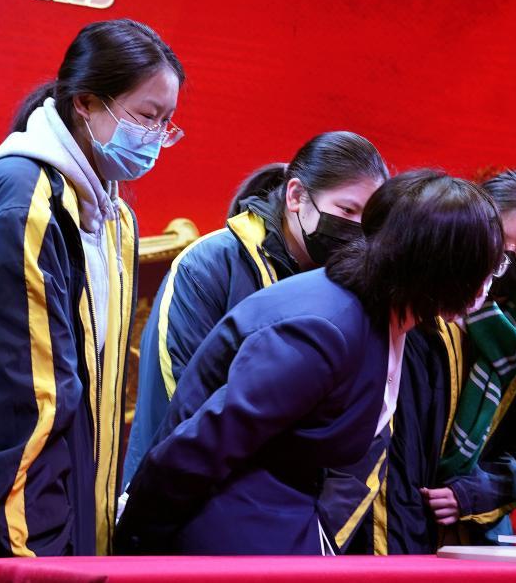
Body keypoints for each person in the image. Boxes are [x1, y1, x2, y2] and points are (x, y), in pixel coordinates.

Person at [114, 169, 506, 555]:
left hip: (278, 526)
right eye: (488, 267)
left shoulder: (381, 315)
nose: (490, 283)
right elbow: (202, 445)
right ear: (444, 267)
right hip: (229, 538)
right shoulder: (325, 330)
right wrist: (135, 546)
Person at [0, 19, 184, 557]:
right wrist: (37, 555)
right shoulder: (28, 201)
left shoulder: (113, 216)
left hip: (75, 517)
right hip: (24, 534)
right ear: (86, 102)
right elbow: (24, 405)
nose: (156, 136)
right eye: (146, 116)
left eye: (167, 122)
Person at [124, 132, 388, 487]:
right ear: (296, 196)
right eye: (346, 210)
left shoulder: (350, 286)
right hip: (183, 484)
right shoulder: (207, 265)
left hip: (288, 501)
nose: (356, 229)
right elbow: (179, 398)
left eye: (367, 219)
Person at [370, 170, 516, 553]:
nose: (509, 257)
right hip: (398, 513)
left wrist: (477, 491)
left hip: (478, 528)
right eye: (499, 241)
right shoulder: (430, 314)